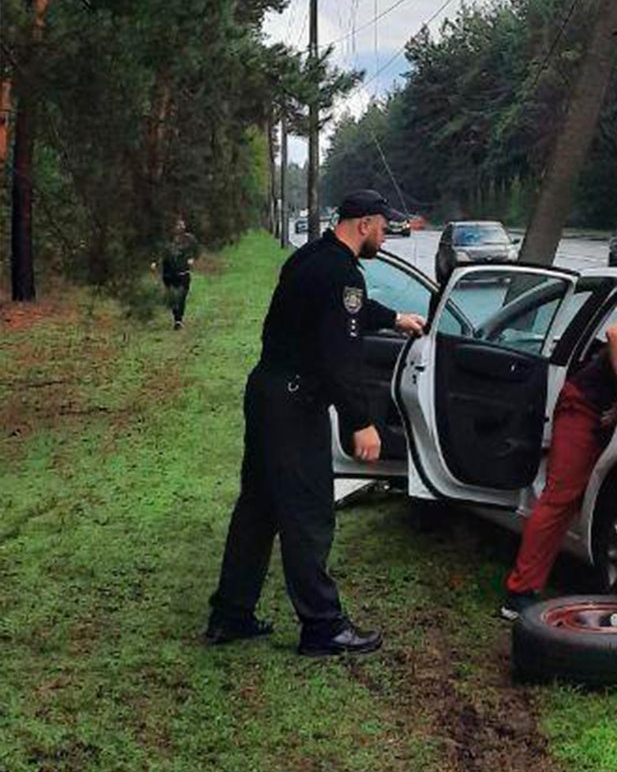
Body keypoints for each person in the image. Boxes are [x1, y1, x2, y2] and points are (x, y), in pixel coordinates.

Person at [206, 190, 425, 657]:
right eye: (383, 228)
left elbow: (343, 313)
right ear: (364, 224)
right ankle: (323, 628)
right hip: (294, 405)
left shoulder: (311, 259)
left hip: (267, 393)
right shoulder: (342, 272)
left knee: (259, 508)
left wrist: (394, 318)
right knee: (308, 513)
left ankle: (231, 614)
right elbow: (337, 356)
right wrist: (360, 421)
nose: (385, 237)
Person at [501, 306, 617, 620]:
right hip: (586, 404)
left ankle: (566, 573)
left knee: (584, 496)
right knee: (561, 496)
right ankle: (519, 592)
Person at [154, 218, 199, 329]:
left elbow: (196, 251)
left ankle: (179, 319)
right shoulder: (166, 240)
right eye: (177, 225)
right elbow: (159, 252)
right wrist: (155, 262)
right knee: (173, 296)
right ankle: (176, 317)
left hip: (183, 272)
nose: (180, 227)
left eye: (182, 224)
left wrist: (192, 259)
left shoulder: (190, 239)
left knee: (182, 296)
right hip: (168, 273)